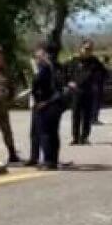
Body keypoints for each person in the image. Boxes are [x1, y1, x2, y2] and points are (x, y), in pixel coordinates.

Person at [31, 42, 69, 170]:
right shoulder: (57, 66)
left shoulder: (45, 67)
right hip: (57, 103)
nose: (36, 56)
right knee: (53, 133)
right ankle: (53, 159)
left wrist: (41, 102)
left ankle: (48, 161)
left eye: (38, 53)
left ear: (44, 53)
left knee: (45, 133)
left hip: (47, 103)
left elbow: (38, 84)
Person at [67, 40, 106, 145]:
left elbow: (104, 73)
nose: (88, 51)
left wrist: (96, 82)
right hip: (76, 92)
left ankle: (84, 137)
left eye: (90, 49)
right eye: (86, 48)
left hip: (89, 91)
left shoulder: (95, 61)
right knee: (75, 115)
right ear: (81, 48)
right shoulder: (74, 60)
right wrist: (69, 82)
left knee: (87, 116)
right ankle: (75, 138)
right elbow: (64, 73)